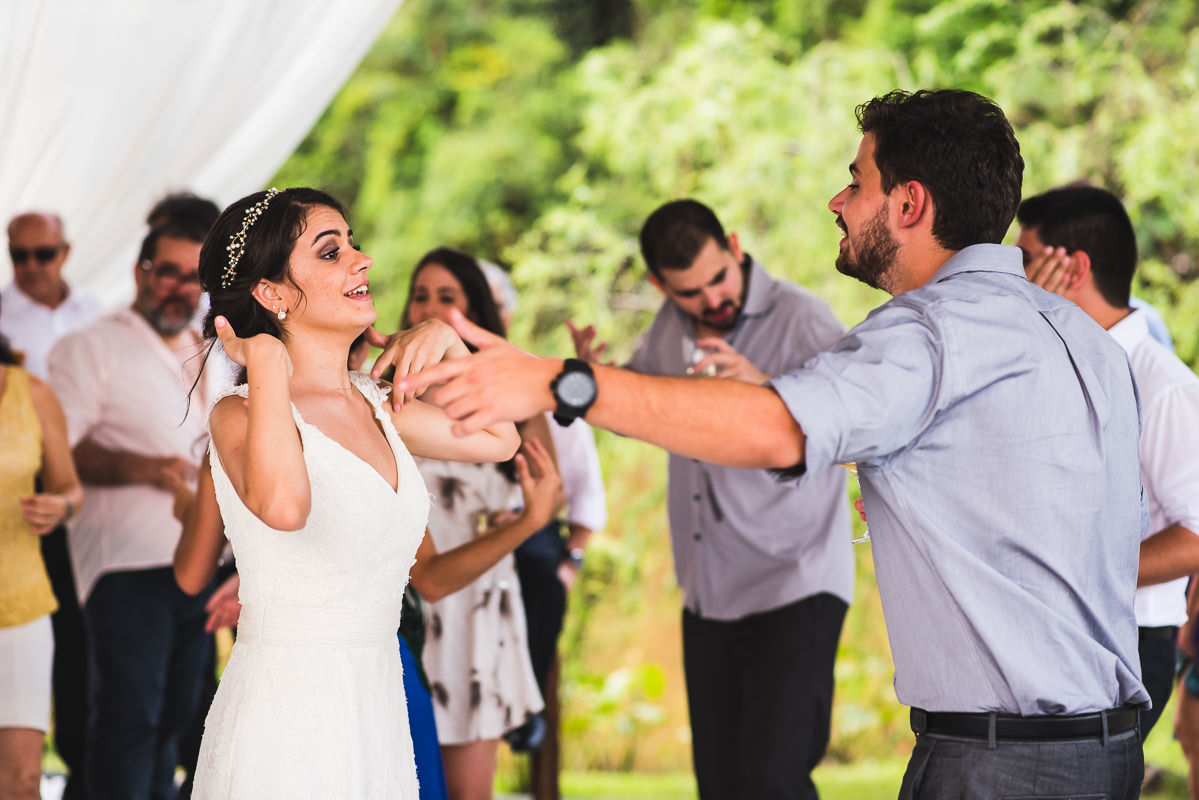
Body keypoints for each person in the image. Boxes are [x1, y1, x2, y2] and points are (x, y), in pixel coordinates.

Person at [395, 89, 1149, 799]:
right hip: (1104, 750)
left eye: (854, 181)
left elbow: (777, 426)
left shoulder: (928, 334)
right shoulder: (1086, 341)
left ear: (909, 202)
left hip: (998, 765)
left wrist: (565, 381)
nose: (836, 201)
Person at [186, 187, 555, 799]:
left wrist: (448, 340)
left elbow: (500, 438)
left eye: (352, 243)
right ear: (272, 294)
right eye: (331, 253)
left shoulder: (379, 404)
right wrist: (271, 368)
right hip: (287, 712)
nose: (362, 260)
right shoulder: (238, 413)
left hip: (379, 700)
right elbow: (284, 508)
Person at [567, 199, 851, 800]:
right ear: (658, 285)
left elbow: (859, 431)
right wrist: (600, 381)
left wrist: (768, 392)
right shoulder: (670, 326)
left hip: (794, 584)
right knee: (721, 786)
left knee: (774, 782)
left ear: (734, 245)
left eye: (718, 278)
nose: (712, 300)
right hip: (709, 592)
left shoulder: (801, 318)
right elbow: (644, 411)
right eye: (690, 292)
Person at [1016, 185, 1199, 737]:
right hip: (1050, 637)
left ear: (1071, 268)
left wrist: (1082, 575)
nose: (1011, 279)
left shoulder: (1162, 386)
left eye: (1023, 260)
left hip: (1129, 647)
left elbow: (1196, 534)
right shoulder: (1042, 361)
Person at [47, 218, 216, 799]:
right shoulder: (90, 345)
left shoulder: (208, 349)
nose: (180, 288)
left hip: (198, 560)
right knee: (128, 722)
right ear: (139, 272)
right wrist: (144, 468)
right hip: (123, 567)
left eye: (194, 277)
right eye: (167, 272)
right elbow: (59, 451)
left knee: (179, 722)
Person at [401, 247, 549, 800]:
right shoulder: (390, 390)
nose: (430, 309)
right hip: (419, 605)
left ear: (473, 311)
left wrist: (517, 375)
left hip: (483, 605)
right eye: (421, 295)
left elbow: (545, 486)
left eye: (447, 298)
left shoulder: (505, 399)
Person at [2, 212, 101, 798]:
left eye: (43, 255)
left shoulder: (95, 312)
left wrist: (62, 506)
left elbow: (70, 483)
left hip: (49, 512)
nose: (32, 268)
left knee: (80, 652)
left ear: (64, 252)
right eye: (21, 256)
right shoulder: (4, 311)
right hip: (21, 488)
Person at [0, 327, 83, 800]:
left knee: (22, 780)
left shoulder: (30, 392)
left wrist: (61, 507)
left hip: (22, 607)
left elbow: (70, 488)